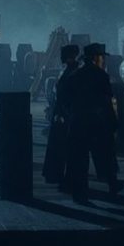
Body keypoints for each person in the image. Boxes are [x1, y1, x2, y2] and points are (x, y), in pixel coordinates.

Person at [64, 43, 124, 204]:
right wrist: (113, 121)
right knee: (105, 155)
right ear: (96, 58)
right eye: (101, 57)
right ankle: (112, 185)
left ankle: (80, 193)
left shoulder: (75, 76)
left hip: (78, 122)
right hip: (97, 122)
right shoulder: (101, 76)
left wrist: (71, 116)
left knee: (79, 159)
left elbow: (66, 100)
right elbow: (106, 101)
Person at [42, 44, 80, 186]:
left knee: (60, 146)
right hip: (63, 113)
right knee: (60, 146)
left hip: (63, 113)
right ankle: (56, 175)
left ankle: (55, 174)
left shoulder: (69, 72)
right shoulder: (69, 71)